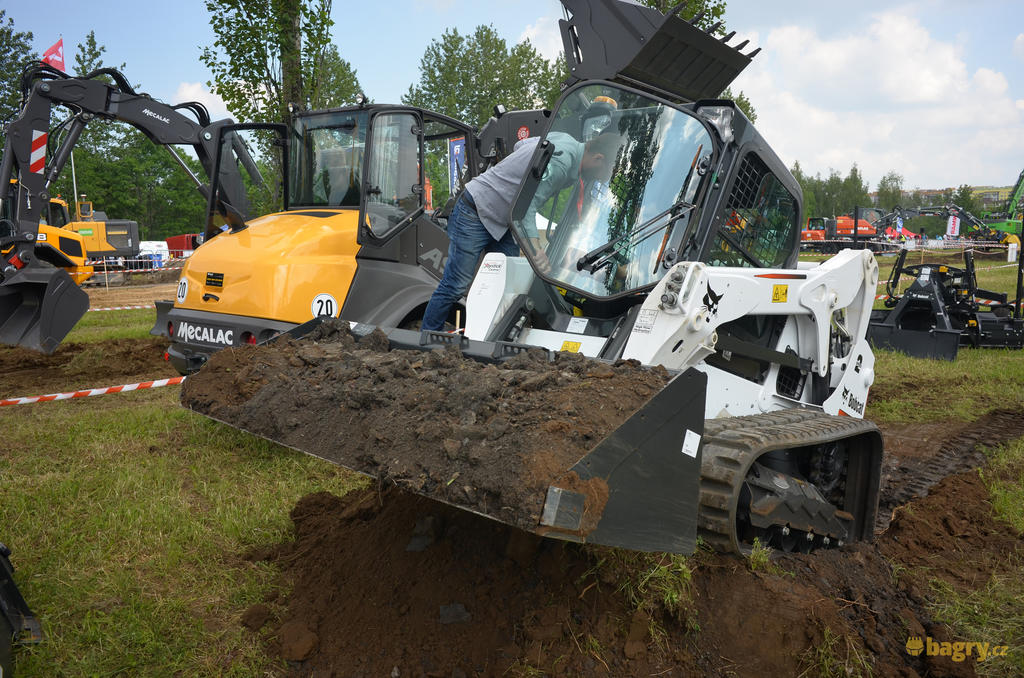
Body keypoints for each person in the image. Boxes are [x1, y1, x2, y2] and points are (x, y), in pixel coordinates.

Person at [421, 131, 619, 331]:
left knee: (509, 286)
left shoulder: (564, 138)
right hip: (476, 211)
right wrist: (536, 249)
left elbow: (520, 145)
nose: (602, 177)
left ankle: (488, 338)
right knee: (456, 284)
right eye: (604, 171)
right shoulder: (561, 164)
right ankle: (427, 336)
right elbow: (526, 208)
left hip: (503, 219)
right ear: (598, 158)